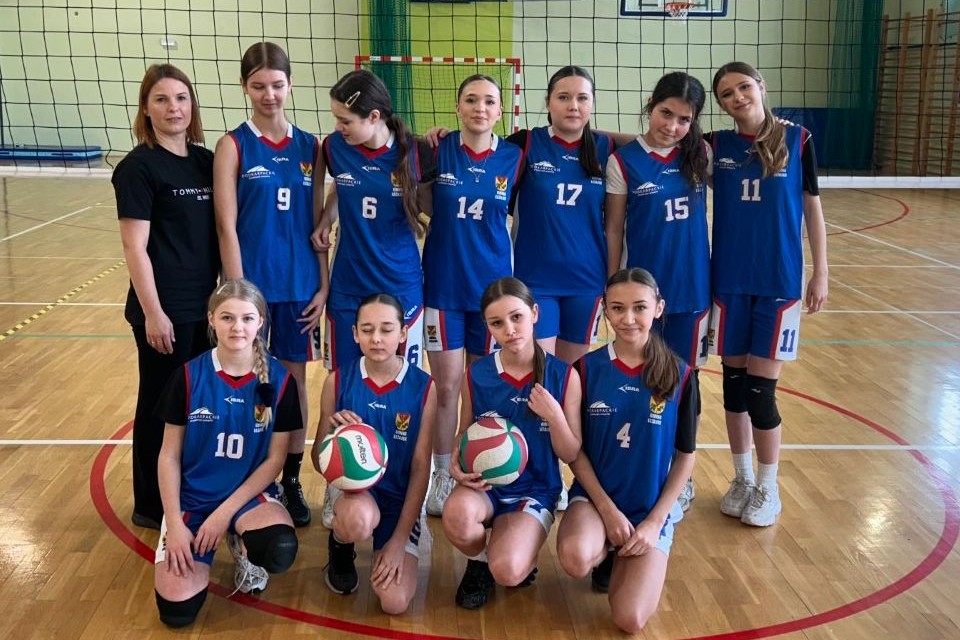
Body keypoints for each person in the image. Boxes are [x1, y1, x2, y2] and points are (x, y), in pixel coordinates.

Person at [311, 68, 433, 528]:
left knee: (403, 389)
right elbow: (341, 187)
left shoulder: (414, 152)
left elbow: (431, 207)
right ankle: (339, 479)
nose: (338, 127)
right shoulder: (334, 148)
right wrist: (327, 217)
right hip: (349, 286)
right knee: (345, 388)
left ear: (375, 117)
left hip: (401, 286)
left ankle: (407, 486)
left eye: (346, 120)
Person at [708, 61, 828, 527]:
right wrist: (590, 134)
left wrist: (820, 272)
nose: (738, 97)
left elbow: (813, 209)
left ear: (760, 86)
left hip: (778, 282)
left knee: (761, 393)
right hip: (729, 281)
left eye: (744, 87)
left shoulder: (799, 139)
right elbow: (656, 141)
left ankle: (768, 486)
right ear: (721, 104)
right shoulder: (716, 145)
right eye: (727, 94)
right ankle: (741, 479)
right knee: (734, 389)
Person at [214, 42, 327, 527]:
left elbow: (320, 223)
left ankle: (291, 479)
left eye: (277, 85)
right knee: (254, 382)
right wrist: (239, 293)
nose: (269, 94)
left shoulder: (311, 146)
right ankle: (253, 477)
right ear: (245, 87)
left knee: (294, 383)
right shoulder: (233, 145)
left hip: (300, 286)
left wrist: (323, 286)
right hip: (253, 290)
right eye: (258, 86)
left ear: (290, 85)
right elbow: (226, 226)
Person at [555, 268, 697, 634]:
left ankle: (629, 552)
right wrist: (607, 511)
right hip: (596, 500)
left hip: (650, 506)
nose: (628, 318)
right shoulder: (585, 369)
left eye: (639, 307)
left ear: (659, 308)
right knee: (575, 558)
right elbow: (575, 452)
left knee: (629, 620)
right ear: (605, 309)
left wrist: (655, 522)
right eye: (617, 308)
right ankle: (606, 547)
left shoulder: (680, 374)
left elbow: (686, 456)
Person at [153, 279, 300, 628]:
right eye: (227, 318)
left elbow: (275, 461)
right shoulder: (188, 376)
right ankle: (198, 536)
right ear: (211, 319)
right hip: (193, 498)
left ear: (260, 321)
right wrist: (174, 523)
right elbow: (168, 456)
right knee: (176, 612)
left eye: (247, 318)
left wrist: (223, 515)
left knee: (278, 548)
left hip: (249, 497)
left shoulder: (280, 381)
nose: (238, 327)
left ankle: (242, 542)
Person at [112, 63, 220, 530]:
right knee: (160, 406)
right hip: (164, 311)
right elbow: (134, 247)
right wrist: (154, 313)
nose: (173, 108)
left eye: (181, 98)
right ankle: (151, 505)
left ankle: (186, 491)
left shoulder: (205, 161)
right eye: (161, 99)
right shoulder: (138, 167)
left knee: (196, 406)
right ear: (146, 109)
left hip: (205, 309)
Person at [604, 71, 711, 512]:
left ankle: (679, 475)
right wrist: (611, 286)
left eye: (684, 119)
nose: (672, 126)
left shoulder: (701, 154)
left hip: (691, 291)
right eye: (666, 113)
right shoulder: (623, 162)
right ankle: (642, 467)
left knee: (685, 386)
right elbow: (614, 228)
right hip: (641, 297)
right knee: (638, 381)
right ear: (651, 105)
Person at [442, 277, 581, 609]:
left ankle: (511, 554)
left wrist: (555, 415)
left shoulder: (564, 376)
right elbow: (463, 431)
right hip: (485, 486)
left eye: (516, 317)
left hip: (535, 489)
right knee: (457, 515)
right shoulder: (477, 374)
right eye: (497, 323)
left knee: (508, 570)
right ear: (488, 327)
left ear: (534, 313)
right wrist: (455, 461)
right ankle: (479, 562)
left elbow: (570, 452)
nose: (509, 329)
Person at [420, 75, 524, 517]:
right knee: (446, 387)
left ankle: (482, 466)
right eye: (471, 100)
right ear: (458, 107)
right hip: (443, 287)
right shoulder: (436, 149)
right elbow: (421, 200)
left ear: (501, 111)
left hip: (492, 295)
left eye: (489, 101)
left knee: (480, 385)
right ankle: (443, 475)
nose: (480, 108)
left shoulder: (515, 156)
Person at [310, 294, 437, 614]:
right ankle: (341, 545)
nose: (376, 338)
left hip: (400, 499)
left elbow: (421, 467)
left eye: (386, 329)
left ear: (403, 333)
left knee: (394, 602)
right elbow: (317, 462)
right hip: (357, 495)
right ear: (355, 334)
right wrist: (332, 438)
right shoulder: (337, 380)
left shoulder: (423, 387)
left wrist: (398, 542)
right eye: (367, 330)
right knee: (358, 520)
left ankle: (393, 539)